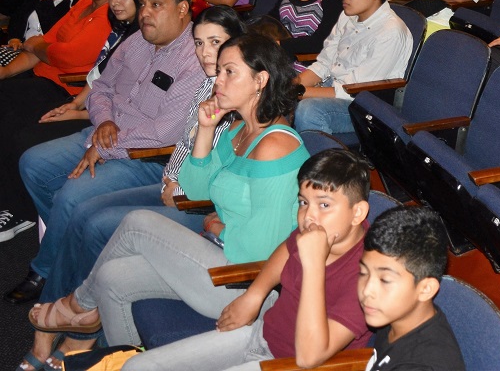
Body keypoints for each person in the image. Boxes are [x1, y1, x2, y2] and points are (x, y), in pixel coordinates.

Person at [22, 32, 309, 358]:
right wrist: (204, 128)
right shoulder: (238, 129)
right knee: (112, 277)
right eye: (220, 71)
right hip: (219, 256)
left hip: (244, 280)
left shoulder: (275, 146)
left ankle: (78, 305)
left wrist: (217, 228)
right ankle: (118, 357)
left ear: (261, 80)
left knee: (139, 221)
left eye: (230, 71)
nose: (218, 79)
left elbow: (262, 248)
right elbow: (198, 189)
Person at [9, 0, 206, 305]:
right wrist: (104, 122)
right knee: (34, 163)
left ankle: (46, 271)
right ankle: (72, 249)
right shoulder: (136, 41)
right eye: (143, 4)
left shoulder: (194, 59)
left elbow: (164, 133)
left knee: (73, 195)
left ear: (183, 9)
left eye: (156, 5)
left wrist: (104, 145)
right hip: (105, 132)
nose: (144, 13)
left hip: (146, 157)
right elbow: (101, 88)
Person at [100, 149, 368, 371]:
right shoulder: (316, 230)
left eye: (324, 205)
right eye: (302, 202)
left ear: (358, 213)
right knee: (137, 368)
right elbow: (286, 250)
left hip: (289, 363)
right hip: (262, 335)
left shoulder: (367, 274)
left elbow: (310, 358)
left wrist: (312, 266)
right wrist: (255, 294)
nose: (308, 216)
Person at [0, 0, 148, 252]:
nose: (115, 1)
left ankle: (25, 215)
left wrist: (78, 110)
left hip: (106, 123)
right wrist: (77, 103)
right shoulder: (120, 29)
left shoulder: (139, 39)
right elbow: (99, 80)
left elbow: (70, 59)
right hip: (88, 106)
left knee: (24, 137)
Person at [293, 0, 413, 136]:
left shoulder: (390, 32)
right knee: (274, 82)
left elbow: (354, 90)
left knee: (309, 109)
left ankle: (325, 162)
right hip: (334, 87)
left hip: (364, 106)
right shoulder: (348, 15)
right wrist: (290, 87)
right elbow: (324, 64)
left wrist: (299, 93)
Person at [358, 206, 467, 371]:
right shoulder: (395, 314)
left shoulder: (423, 365)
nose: (367, 290)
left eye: (385, 280)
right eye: (363, 272)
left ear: (425, 289)